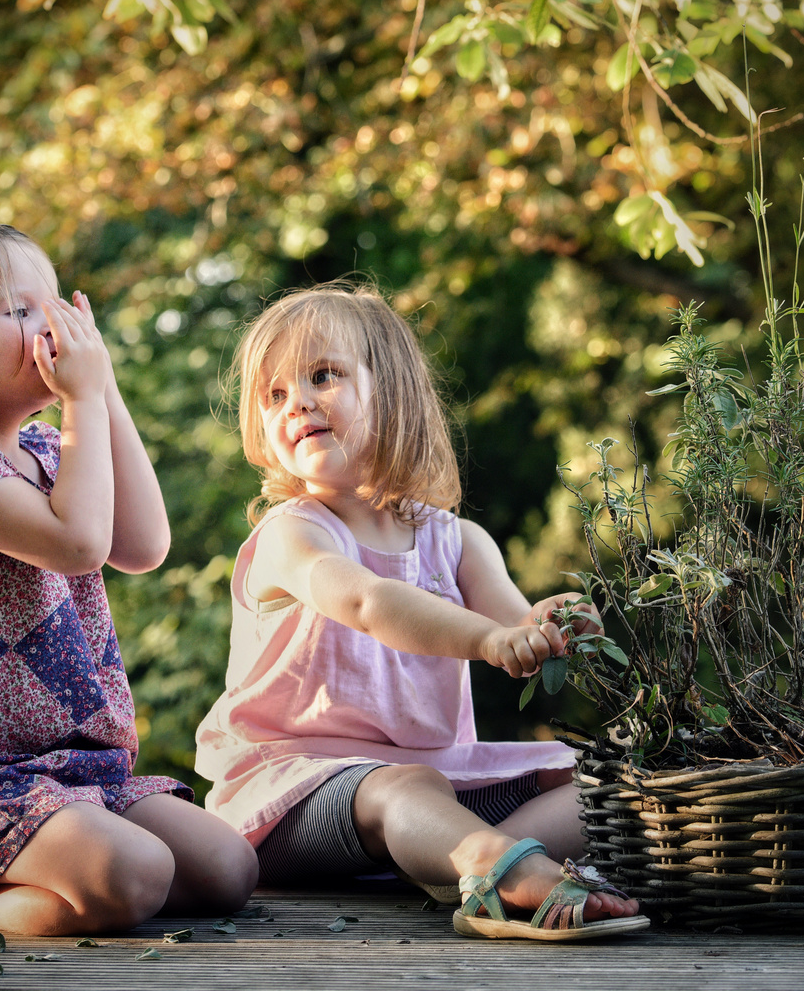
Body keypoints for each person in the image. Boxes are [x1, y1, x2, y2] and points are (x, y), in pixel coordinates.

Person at [195, 283, 647, 941]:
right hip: (289, 795)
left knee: (604, 781)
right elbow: (367, 602)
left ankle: (463, 866)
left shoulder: (457, 540)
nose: (297, 402)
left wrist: (551, 624)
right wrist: (490, 640)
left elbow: (517, 628)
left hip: (434, 782)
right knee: (403, 788)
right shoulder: (294, 534)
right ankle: (493, 864)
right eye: (274, 394)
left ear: (393, 390)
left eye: (324, 375)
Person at [0, 224, 257, 936]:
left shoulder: (51, 447)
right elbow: (77, 545)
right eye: (16, 311)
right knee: (134, 877)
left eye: (51, 305)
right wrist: (81, 403)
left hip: (78, 772)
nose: (47, 325)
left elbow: (140, 545)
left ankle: (50, 876)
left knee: (227, 869)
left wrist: (99, 390)